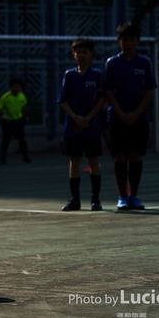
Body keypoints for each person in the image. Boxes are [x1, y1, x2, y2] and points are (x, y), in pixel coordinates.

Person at [103, 22, 157, 210]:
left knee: (136, 156)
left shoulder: (145, 62)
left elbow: (149, 90)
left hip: (139, 118)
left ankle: (134, 195)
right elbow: (108, 90)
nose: (128, 43)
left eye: (132, 39)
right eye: (124, 39)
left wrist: (136, 112)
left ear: (137, 41)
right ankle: (122, 196)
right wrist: (119, 112)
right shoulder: (112, 63)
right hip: (117, 118)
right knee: (120, 156)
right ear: (119, 41)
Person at [57, 38, 105, 211]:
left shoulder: (98, 74)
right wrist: (75, 117)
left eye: (86, 52)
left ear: (91, 54)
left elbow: (102, 100)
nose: (82, 55)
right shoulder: (69, 75)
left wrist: (88, 118)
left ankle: (95, 200)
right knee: (74, 162)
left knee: (93, 161)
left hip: (91, 127)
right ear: (74, 54)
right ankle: (74, 199)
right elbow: (63, 100)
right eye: (79, 52)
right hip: (73, 127)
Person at [0, 77, 31, 165]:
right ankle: (2, 158)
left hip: (18, 120)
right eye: (14, 87)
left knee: (22, 140)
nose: (16, 89)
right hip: (8, 121)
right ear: (10, 88)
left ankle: (25, 157)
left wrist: (25, 115)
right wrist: (3, 115)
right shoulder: (6, 97)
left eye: (18, 87)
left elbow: (24, 106)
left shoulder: (22, 96)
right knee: (6, 140)